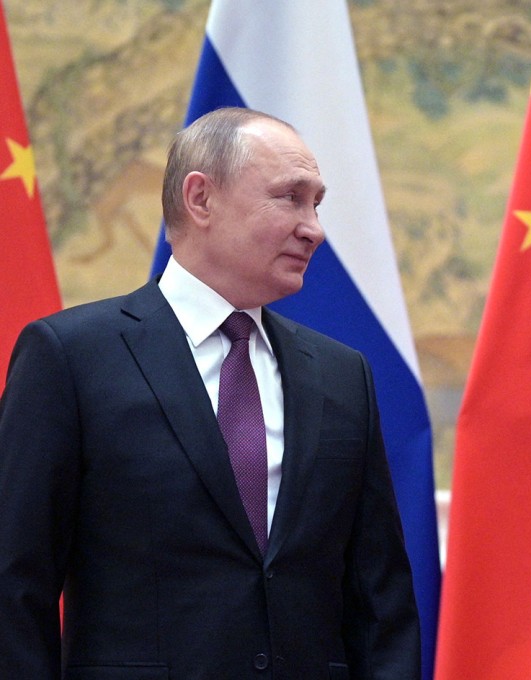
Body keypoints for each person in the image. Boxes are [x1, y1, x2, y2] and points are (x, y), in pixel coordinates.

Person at [0, 107, 420, 679]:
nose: (314, 228)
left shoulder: (343, 375)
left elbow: (381, 601)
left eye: (316, 204)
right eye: (290, 198)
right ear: (200, 199)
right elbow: (14, 585)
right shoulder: (71, 358)